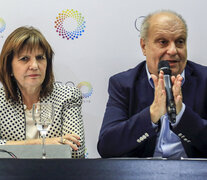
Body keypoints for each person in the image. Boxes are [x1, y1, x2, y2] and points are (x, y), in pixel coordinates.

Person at [98, 10, 207, 158]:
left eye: (180, 42)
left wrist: (182, 116)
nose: (173, 50)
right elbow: (107, 146)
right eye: (163, 42)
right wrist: (152, 114)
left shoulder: (204, 80)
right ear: (144, 46)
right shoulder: (123, 84)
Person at [0, 26, 85, 158]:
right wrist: (41, 143)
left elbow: (75, 151)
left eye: (40, 58)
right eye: (24, 59)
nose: (34, 66)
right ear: (9, 67)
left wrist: (12, 147)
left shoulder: (67, 96)